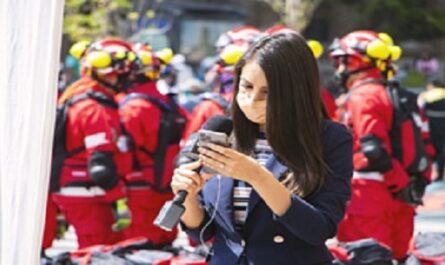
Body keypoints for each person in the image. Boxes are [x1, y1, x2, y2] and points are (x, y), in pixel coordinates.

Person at [172, 32, 353, 265]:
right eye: (246, 86)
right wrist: (188, 197)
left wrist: (257, 176)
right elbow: (203, 233)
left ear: (295, 93)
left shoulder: (330, 138)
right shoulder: (224, 132)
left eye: (267, 92)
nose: (252, 98)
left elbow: (319, 229)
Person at [329, 30, 417, 262]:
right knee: (392, 256)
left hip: (367, 194)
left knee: (366, 256)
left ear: (357, 61)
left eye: (341, 61)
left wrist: (397, 182)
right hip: (393, 191)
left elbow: (373, 148)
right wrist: (403, 186)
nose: (339, 69)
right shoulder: (388, 93)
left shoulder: (363, 96)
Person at [52, 38, 134, 248]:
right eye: (121, 74)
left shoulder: (86, 99)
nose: (125, 79)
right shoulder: (93, 108)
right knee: (97, 253)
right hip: (88, 193)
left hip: (86, 191)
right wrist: (120, 202)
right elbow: (100, 166)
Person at [118, 43, 188, 246]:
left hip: (139, 191)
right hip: (168, 189)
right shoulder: (173, 106)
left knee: (138, 250)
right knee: (164, 247)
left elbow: (124, 152)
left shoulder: (132, 107)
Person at [419, 78, 445, 181]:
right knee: (441, 150)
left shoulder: (425, 95)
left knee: (429, 148)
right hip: (443, 125)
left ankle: (428, 174)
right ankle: (440, 173)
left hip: (430, 125)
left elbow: (420, 109)